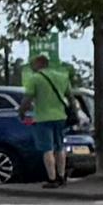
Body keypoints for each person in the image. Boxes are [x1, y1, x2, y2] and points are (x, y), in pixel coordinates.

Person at [19, 34, 75, 182]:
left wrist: (22, 112)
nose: (32, 67)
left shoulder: (35, 79)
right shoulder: (62, 77)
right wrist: (74, 111)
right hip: (60, 117)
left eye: (33, 64)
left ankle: (52, 178)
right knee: (60, 147)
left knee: (47, 149)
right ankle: (62, 176)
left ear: (39, 64)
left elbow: (27, 99)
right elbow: (71, 97)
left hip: (43, 117)